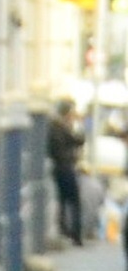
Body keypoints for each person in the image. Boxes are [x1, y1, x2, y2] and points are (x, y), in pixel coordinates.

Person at [49, 99, 86, 246]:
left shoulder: (54, 127)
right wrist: (78, 125)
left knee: (63, 201)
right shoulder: (62, 127)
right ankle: (75, 234)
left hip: (58, 167)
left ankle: (63, 229)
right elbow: (79, 140)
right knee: (74, 201)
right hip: (66, 167)